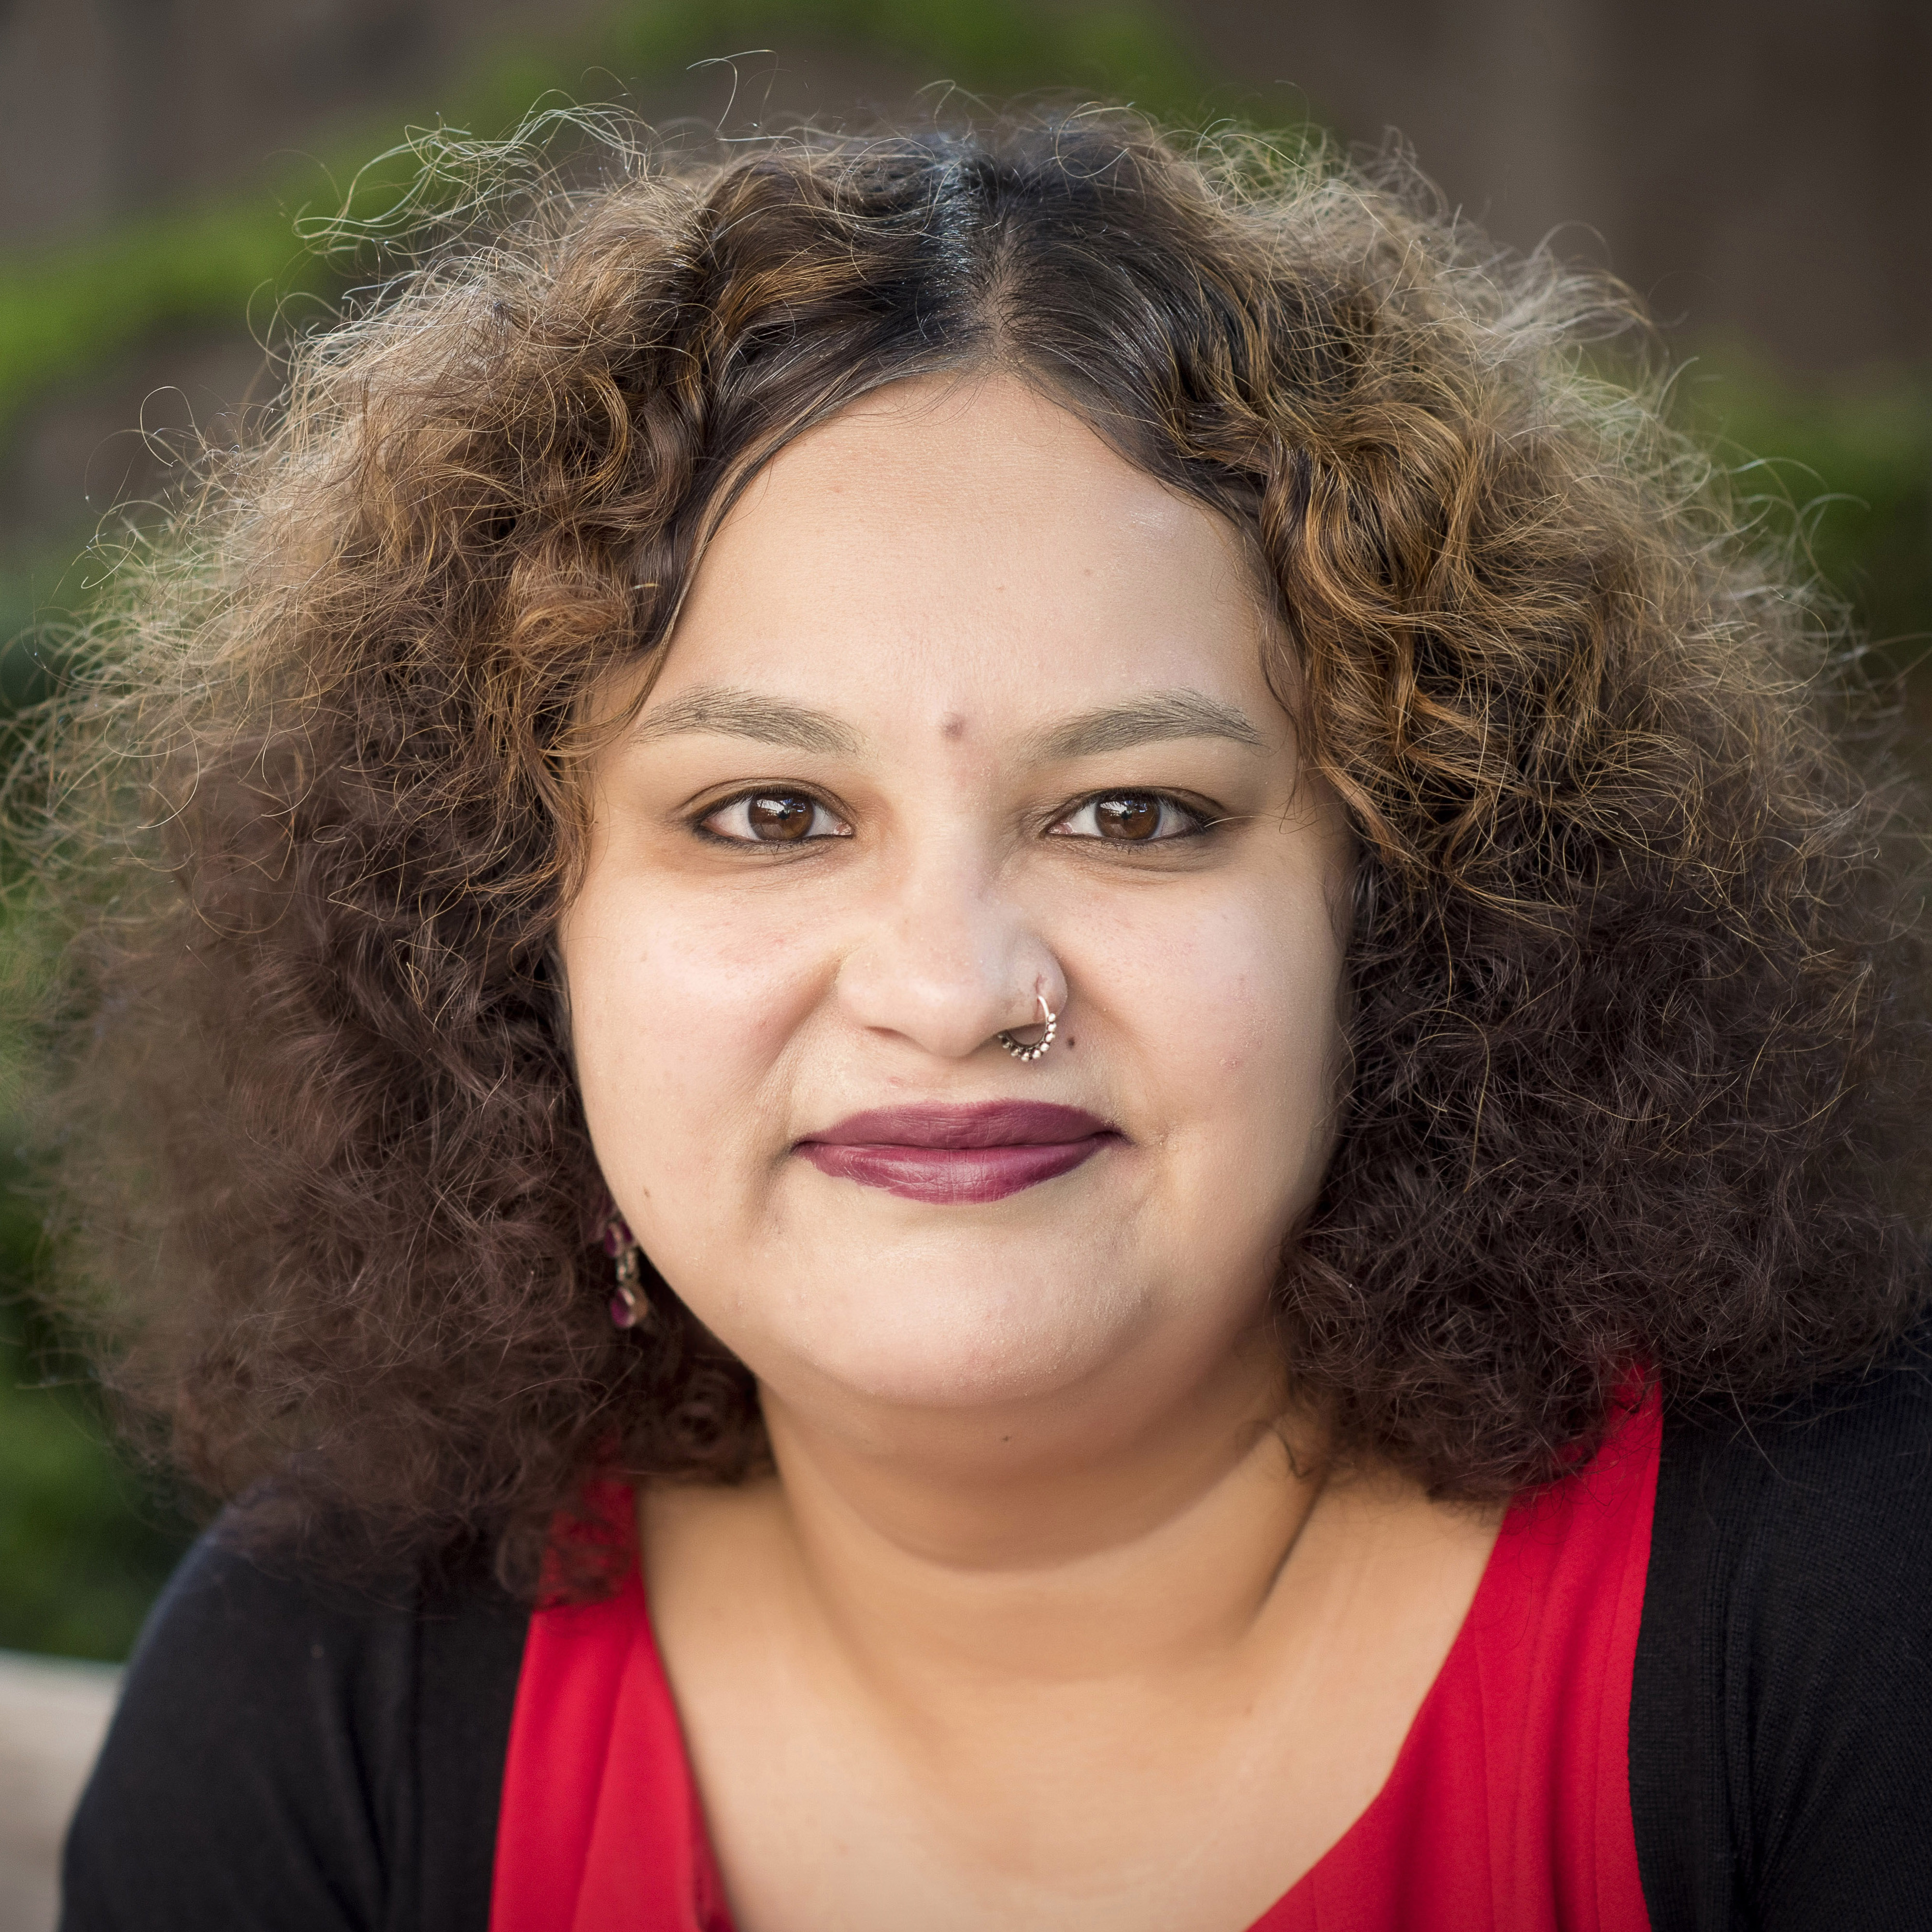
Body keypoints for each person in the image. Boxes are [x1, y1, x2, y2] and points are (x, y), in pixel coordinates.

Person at [41, 114, 1932, 1932]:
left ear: (1414, 910)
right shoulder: (321, 1697)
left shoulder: (1851, 1592)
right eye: (767, 815)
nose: (950, 993)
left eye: (1136, 815)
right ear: (505, 935)